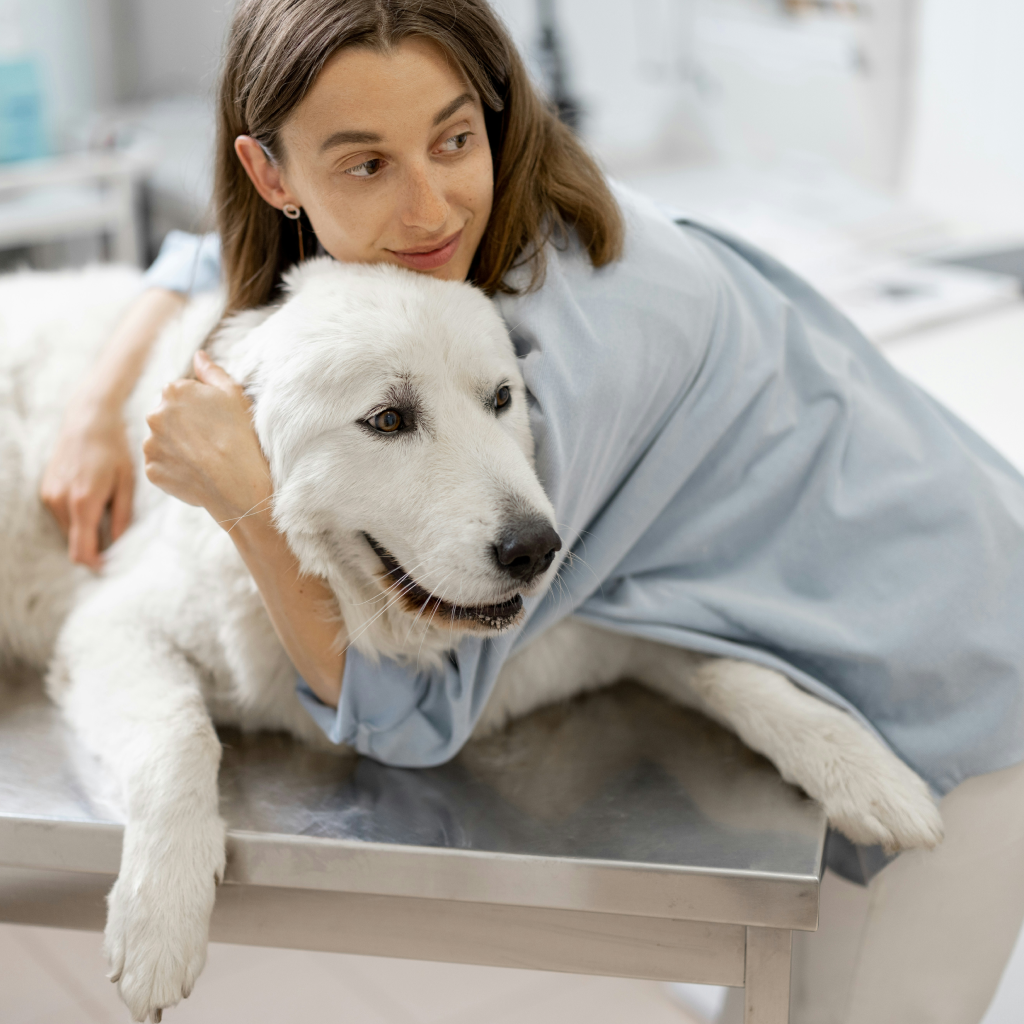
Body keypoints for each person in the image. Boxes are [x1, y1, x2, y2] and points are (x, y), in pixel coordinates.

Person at [37, 1, 1024, 1020]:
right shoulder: (449, 258)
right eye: (366, 162)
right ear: (273, 173)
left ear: (495, 118)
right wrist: (94, 406)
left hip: (948, 659)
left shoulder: (568, 344)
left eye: (454, 138)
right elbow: (214, 258)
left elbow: (410, 714)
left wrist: (246, 497)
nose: (427, 208)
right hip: (831, 626)